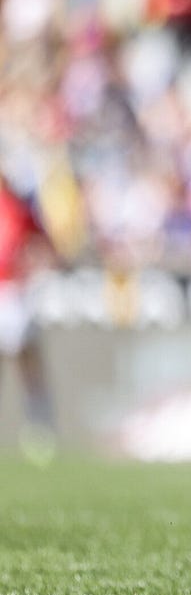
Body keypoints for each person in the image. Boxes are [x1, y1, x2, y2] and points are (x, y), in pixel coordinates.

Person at [0, 177, 57, 467]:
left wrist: (37, 269)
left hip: (14, 292)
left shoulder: (17, 208)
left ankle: (39, 428)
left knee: (27, 361)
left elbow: (43, 243)